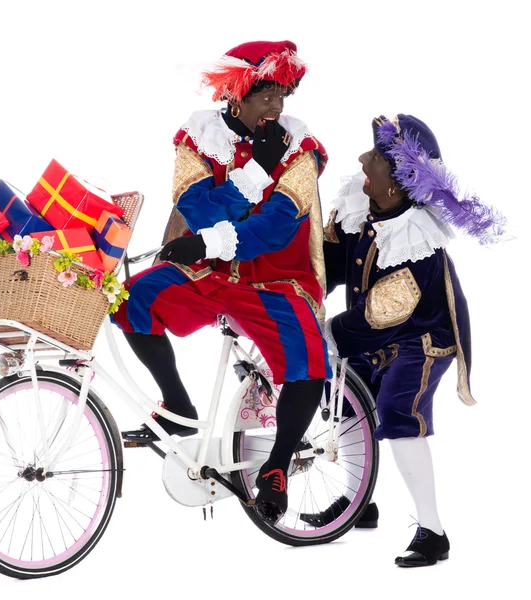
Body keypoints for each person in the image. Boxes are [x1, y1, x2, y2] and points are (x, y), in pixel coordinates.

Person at [111, 40, 331, 522]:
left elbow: (278, 224)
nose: (276, 106)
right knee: (132, 301)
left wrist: (212, 239)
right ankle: (179, 406)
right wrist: (254, 171)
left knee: (308, 365)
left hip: (273, 280)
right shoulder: (198, 137)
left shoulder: (301, 147)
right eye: (266, 94)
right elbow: (199, 208)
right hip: (207, 274)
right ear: (237, 93)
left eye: (282, 95)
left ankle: (276, 466)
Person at [306, 114, 504, 566]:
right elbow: (328, 265)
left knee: (397, 410)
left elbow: (383, 313)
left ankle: (433, 532)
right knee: (346, 405)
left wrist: (326, 332)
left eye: (373, 156)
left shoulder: (418, 241)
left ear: (396, 181)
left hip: (421, 339)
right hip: (372, 334)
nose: (361, 159)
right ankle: (361, 504)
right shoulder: (364, 208)